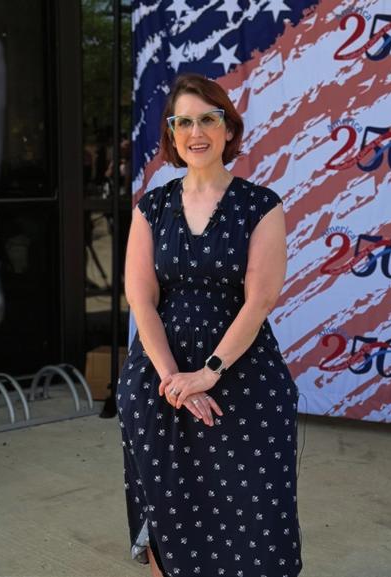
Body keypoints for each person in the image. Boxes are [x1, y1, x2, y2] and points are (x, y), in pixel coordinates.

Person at [117, 73, 302, 577]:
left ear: (228, 128)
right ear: (171, 134)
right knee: (168, 510)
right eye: (183, 122)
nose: (195, 132)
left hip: (243, 377)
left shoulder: (261, 205)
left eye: (208, 119)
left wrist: (208, 373)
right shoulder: (151, 207)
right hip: (160, 379)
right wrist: (174, 381)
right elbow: (141, 299)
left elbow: (260, 300)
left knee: (253, 511)